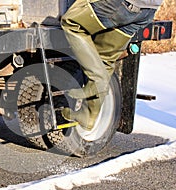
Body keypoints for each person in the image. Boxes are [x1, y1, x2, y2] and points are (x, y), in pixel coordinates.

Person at [61, 0, 163, 130]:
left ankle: (97, 79)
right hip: (148, 10)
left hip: (122, 4)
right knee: (105, 58)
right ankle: (88, 115)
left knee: (72, 23)